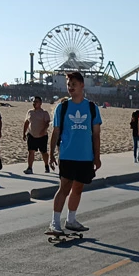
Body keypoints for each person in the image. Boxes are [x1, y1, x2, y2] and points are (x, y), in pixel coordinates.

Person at [48, 71, 102, 234]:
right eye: (68, 85)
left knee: (78, 189)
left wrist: (97, 157)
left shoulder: (92, 108)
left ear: (82, 85)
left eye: (73, 84)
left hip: (86, 156)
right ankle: (54, 223)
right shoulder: (62, 108)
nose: (70, 88)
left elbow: (96, 135)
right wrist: (51, 154)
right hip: (67, 154)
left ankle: (71, 220)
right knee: (64, 188)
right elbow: (55, 132)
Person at [22, 96, 52, 174]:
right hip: (31, 135)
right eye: (34, 101)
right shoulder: (30, 112)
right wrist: (24, 133)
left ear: (40, 103)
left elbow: (47, 123)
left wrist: (43, 130)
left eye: (37, 102)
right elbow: (26, 123)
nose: (35, 103)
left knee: (43, 152)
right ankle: (29, 168)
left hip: (42, 136)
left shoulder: (44, 113)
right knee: (31, 151)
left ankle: (46, 165)